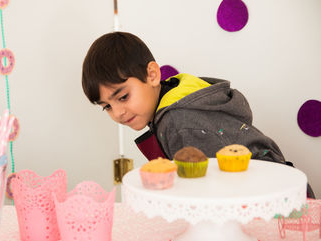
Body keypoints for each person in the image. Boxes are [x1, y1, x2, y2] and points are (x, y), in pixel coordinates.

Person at [81, 31, 315, 198]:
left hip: (282, 203)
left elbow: (209, 195)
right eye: (107, 107)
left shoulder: (178, 122)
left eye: (122, 97)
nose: (118, 113)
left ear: (152, 75)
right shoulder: (175, 101)